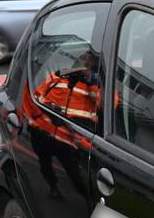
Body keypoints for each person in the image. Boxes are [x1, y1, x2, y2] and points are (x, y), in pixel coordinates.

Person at [23, 49, 102, 200]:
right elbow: (37, 98)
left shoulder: (97, 86)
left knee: (75, 175)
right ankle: (53, 187)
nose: (84, 61)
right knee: (44, 165)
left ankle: (87, 199)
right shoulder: (58, 77)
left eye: (89, 60)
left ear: (94, 66)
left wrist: (91, 81)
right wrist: (46, 112)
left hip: (68, 142)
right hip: (42, 133)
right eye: (82, 57)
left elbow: (104, 107)